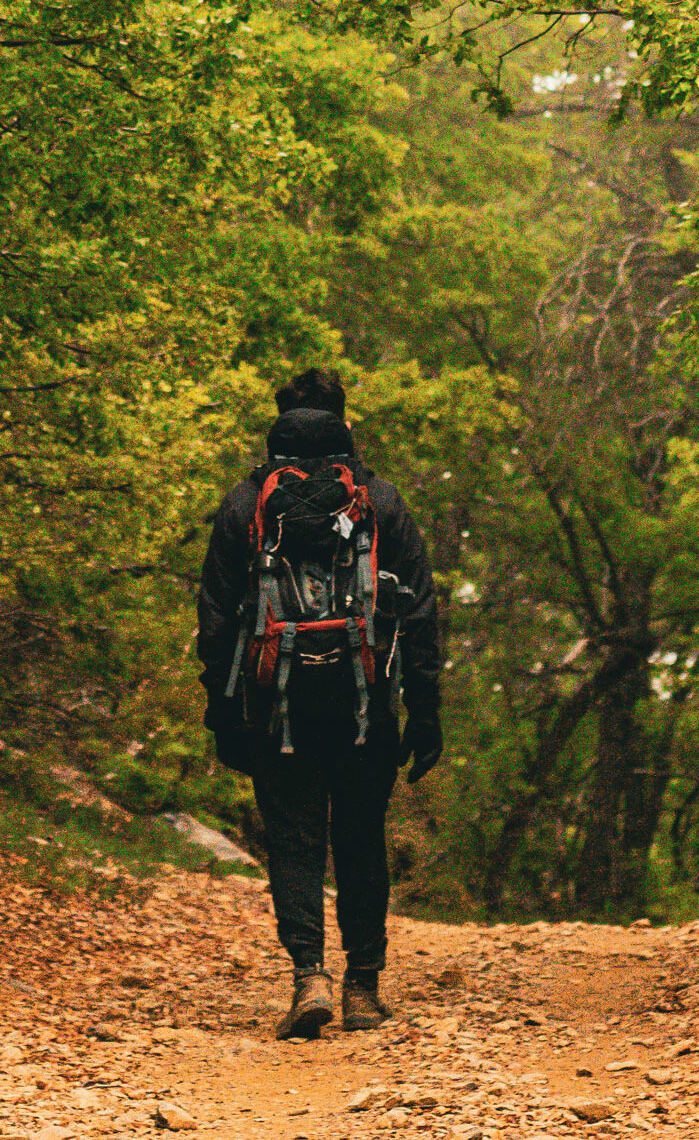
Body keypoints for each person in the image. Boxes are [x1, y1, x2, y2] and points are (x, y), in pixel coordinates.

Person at [196, 368, 442, 1039]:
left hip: (276, 706)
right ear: (344, 422)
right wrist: (425, 710)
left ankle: (310, 975)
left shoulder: (247, 503)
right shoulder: (379, 501)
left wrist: (223, 711)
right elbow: (418, 610)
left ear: (278, 421)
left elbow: (217, 617)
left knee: (294, 840)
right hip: (365, 705)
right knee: (360, 839)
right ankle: (364, 986)